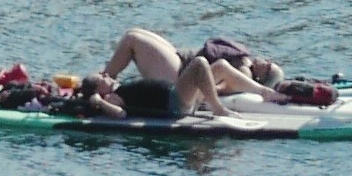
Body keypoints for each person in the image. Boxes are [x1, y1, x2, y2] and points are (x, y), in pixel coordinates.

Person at [88, 28, 271, 122]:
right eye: (101, 79)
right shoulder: (112, 97)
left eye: (104, 75)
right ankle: (218, 108)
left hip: (179, 93)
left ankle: (265, 92)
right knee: (199, 64)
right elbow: (120, 114)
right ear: (100, 90)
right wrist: (98, 102)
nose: (104, 76)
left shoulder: (119, 87)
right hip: (174, 102)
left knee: (221, 65)